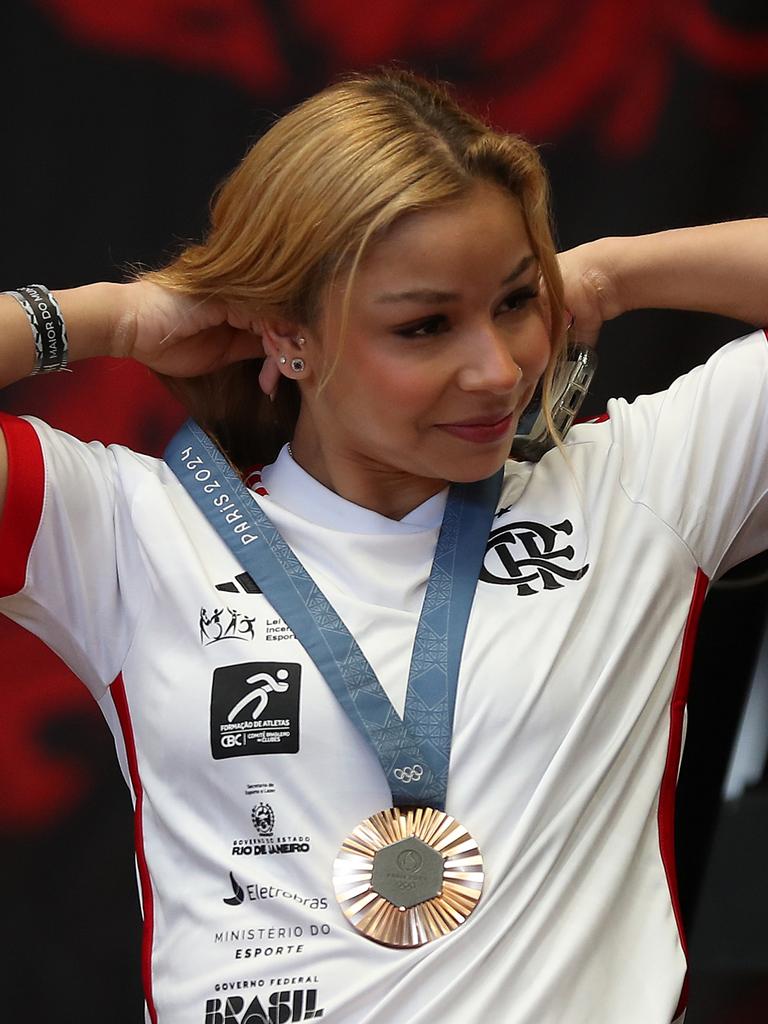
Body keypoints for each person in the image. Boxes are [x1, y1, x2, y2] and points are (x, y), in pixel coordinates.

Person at [1, 69, 767, 1024]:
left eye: (517, 304)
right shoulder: (125, 529)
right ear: (289, 335)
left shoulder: (644, 485)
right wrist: (116, 319)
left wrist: (611, 272)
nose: (497, 370)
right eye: (426, 325)